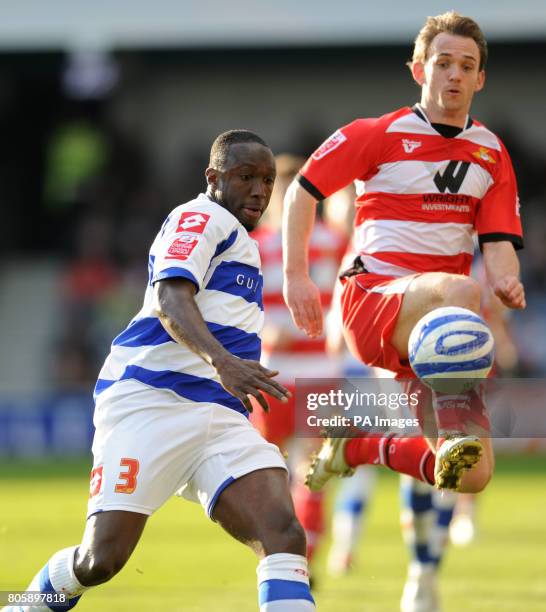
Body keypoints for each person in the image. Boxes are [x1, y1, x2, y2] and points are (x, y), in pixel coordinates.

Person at [7, 131, 316, 612]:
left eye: (268, 180)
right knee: (100, 559)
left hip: (219, 414)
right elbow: (171, 299)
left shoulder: (243, 240)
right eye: (246, 177)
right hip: (152, 401)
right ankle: (19, 603)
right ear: (213, 178)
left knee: (282, 531)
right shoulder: (201, 217)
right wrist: (224, 362)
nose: (260, 189)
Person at [282, 11, 525, 500]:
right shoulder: (377, 134)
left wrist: (508, 281)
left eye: (465, 65)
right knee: (461, 287)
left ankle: (357, 448)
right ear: (419, 70)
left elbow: (498, 246)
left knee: (470, 474)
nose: (453, 74)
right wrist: (296, 276)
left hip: (439, 328)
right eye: (442, 63)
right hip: (373, 297)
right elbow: (301, 192)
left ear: (480, 78)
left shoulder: (491, 154)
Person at [250, 154, 347, 569]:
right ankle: (306, 549)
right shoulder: (334, 241)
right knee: (312, 465)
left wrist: (265, 329)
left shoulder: (255, 245)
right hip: (319, 369)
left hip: (278, 370)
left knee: (272, 468)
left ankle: (288, 554)